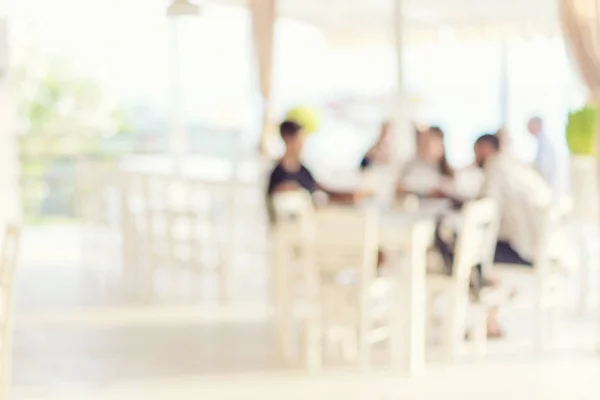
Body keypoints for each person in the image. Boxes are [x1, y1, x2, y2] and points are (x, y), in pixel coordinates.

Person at [267, 120, 368, 221]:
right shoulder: (277, 172)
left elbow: (321, 189)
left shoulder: (303, 170)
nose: (302, 145)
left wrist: (350, 195)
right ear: (288, 139)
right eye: (300, 140)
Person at [396, 126, 454, 199]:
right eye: (421, 141)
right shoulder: (409, 166)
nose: (423, 145)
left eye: (428, 141)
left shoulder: (448, 171)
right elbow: (399, 188)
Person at [527, 116, 557, 189]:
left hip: (547, 183)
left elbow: (544, 168)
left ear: (537, 125)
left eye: (530, 124)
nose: (527, 127)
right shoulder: (540, 142)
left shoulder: (545, 144)